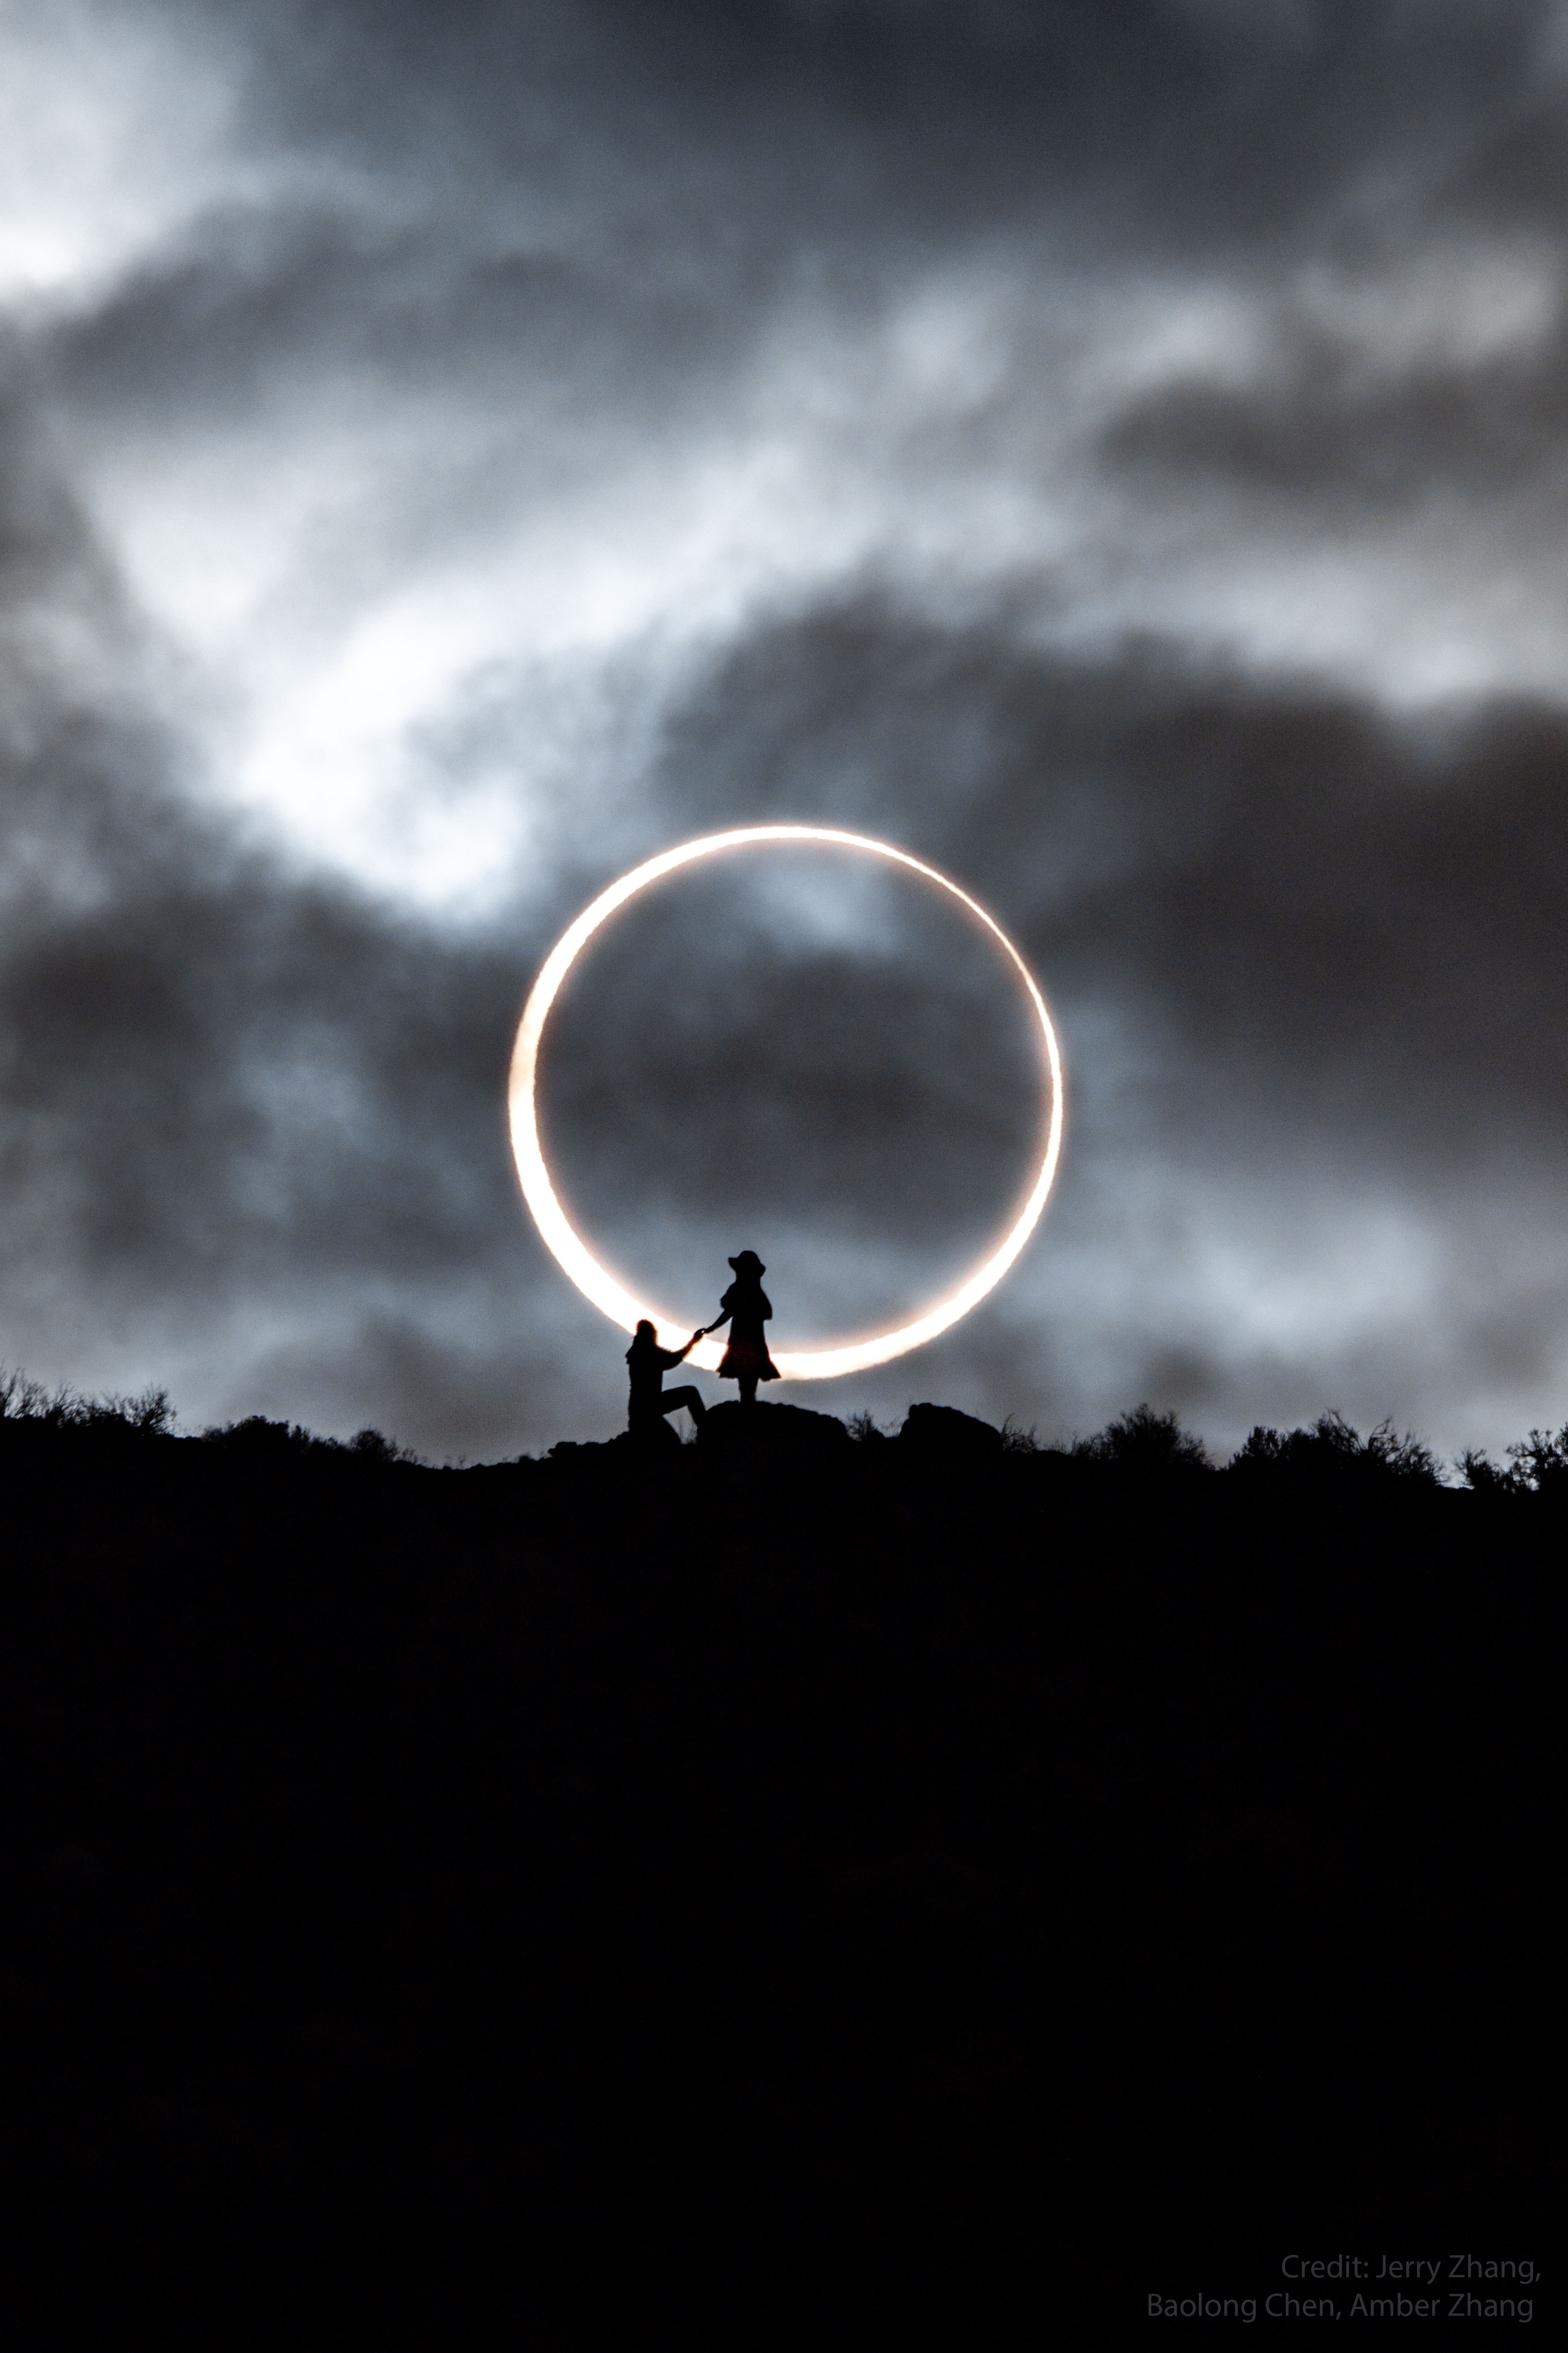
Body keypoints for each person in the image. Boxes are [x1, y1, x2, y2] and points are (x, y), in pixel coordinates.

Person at [700, 1250, 780, 1408]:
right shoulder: (754, 1291)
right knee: (750, 1370)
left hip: (744, 1336)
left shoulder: (741, 1289)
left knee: (745, 1369)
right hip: (753, 1336)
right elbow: (766, 1313)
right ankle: (748, 1400)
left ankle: (747, 1401)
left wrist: (712, 1328)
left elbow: (729, 1311)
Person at [625, 1319, 707, 1438]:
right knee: (691, 1393)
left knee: (671, 1442)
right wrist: (693, 1342)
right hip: (649, 1407)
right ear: (650, 1334)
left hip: (642, 1409)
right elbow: (674, 1360)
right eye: (654, 1333)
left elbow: (672, 1358)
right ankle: (707, 1430)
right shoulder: (648, 1351)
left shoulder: (639, 1351)